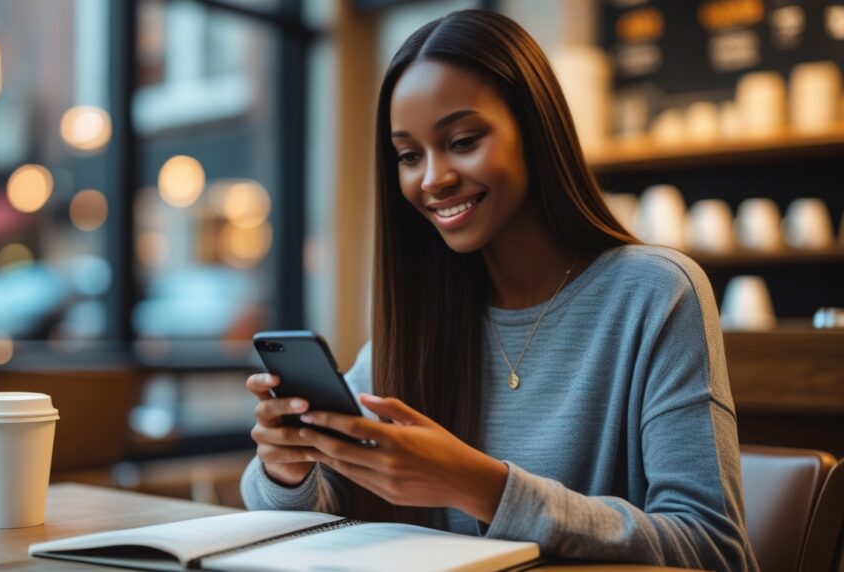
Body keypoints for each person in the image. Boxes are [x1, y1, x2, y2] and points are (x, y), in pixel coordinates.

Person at [239, 9, 757, 571]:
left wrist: (483, 486)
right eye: (409, 155)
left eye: (462, 140)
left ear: (536, 132)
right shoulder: (421, 315)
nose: (432, 178)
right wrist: (287, 468)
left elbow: (715, 549)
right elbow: (303, 509)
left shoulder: (655, 293)